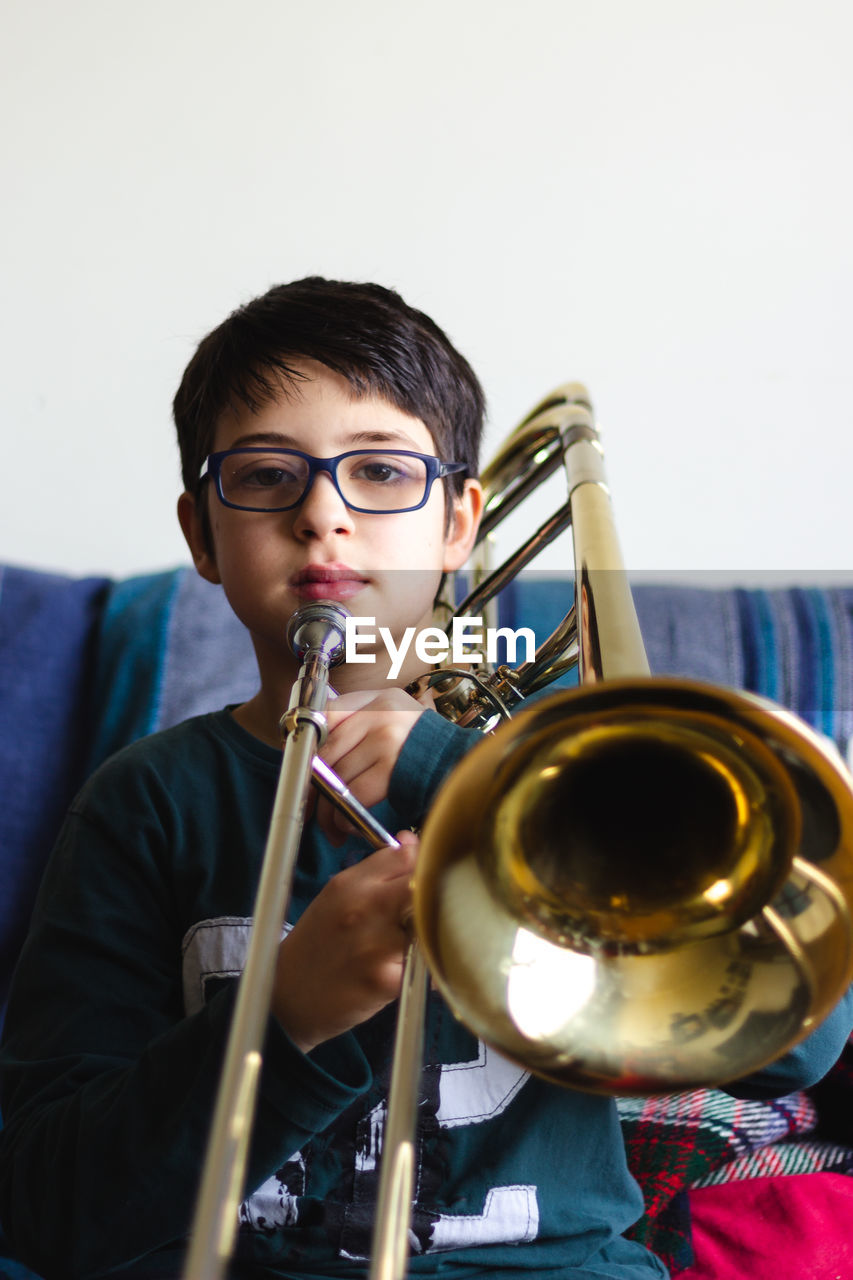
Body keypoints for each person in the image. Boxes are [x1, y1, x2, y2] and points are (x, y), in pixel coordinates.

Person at [1, 277, 851, 1280]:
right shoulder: (144, 801)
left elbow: (796, 1041)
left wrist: (478, 786)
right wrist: (287, 1014)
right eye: (268, 476)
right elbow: (49, 1206)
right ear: (201, 534)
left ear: (459, 523)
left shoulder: (582, 789)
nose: (324, 514)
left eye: (380, 471)